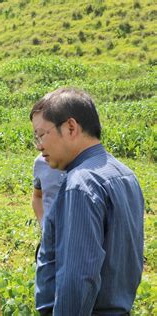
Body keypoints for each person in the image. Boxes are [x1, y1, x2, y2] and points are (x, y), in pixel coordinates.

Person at [30, 87, 144, 315]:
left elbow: (78, 278)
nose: (39, 146)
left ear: (71, 127)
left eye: (41, 135)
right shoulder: (124, 174)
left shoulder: (80, 185)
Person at [32, 154, 66, 226]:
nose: (39, 146)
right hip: (52, 232)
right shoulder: (40, 162)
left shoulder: (82, 162)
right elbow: (37, 196)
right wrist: (43, 224)